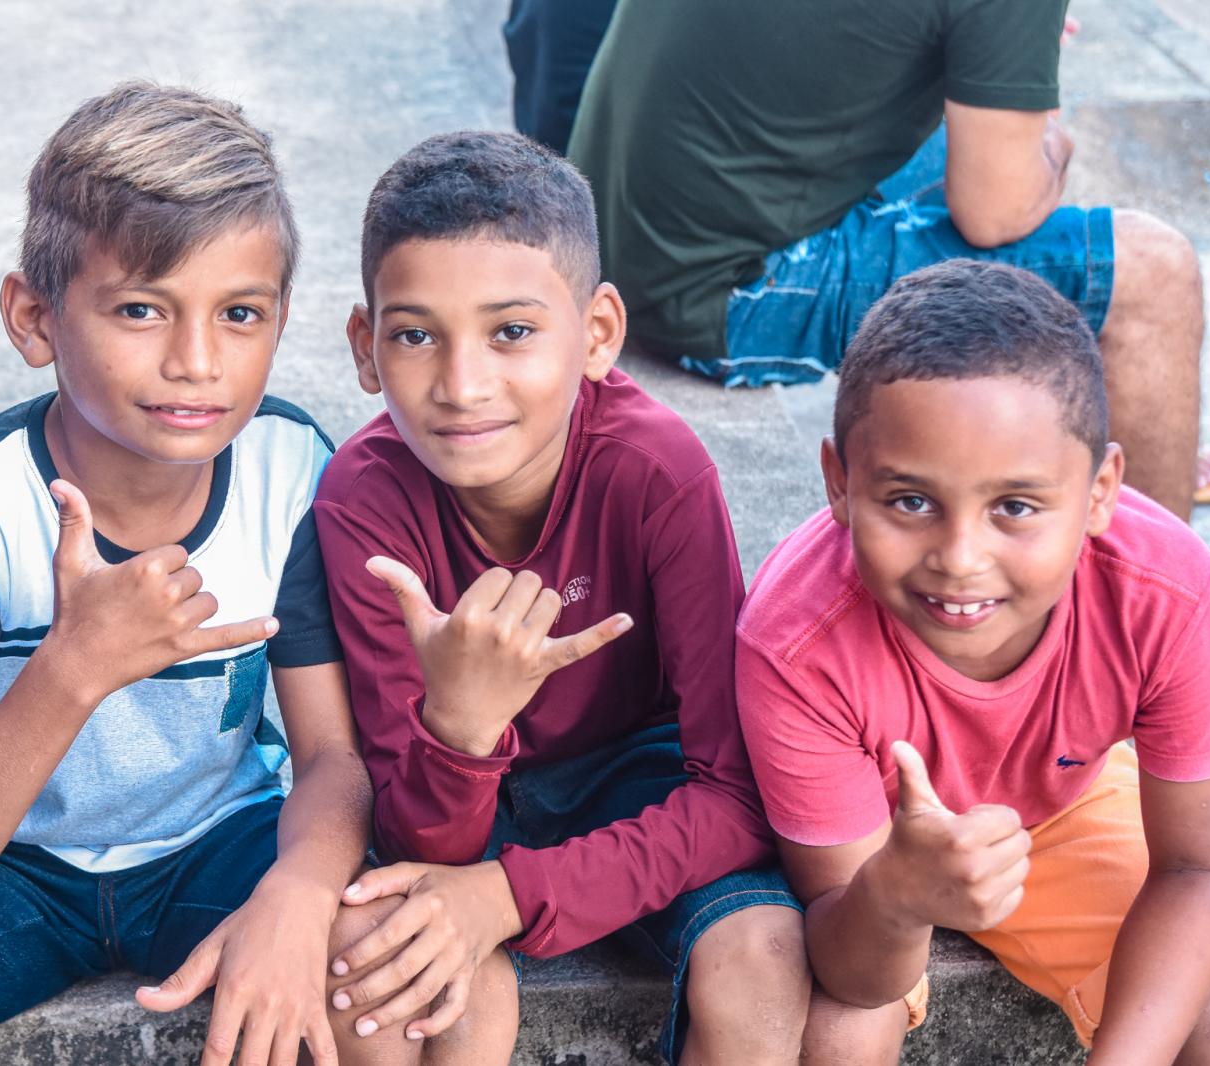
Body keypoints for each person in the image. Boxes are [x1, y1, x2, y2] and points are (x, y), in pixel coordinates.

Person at [0, 81, 372, 1066]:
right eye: (140, 308)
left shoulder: (293, 471)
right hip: (5, 866)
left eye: (238, 313)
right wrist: (73, 668)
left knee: (369, 971)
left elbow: (333, 758)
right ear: (34, 318)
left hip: (217, 844)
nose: (195, 360)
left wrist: (298, 896)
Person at [312, 130, 871, 1066]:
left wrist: (510, 896)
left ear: (599, 335)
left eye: (513, 332)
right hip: (454, 803)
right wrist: (462, 724)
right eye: (415, 335)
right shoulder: (363, 503)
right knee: (382, 980)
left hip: (642, 784)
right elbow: (416, 833)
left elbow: (735, 795)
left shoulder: (657, 473)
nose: (461, 384)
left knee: (764, 958)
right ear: (366, 348)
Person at [737, 259, 1210, 1063]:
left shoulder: (1168, 592)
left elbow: (1200, 871)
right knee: (836, 1035)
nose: (961, 559)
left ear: (1101, 490)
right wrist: (898, 897)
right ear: (839, 482)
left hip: (1061, 809)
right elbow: (848, 958)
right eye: (910, 501)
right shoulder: (796, 642)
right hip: (874, 852)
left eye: (1015, 507)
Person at [556, 0, 1203, 520]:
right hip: (714, 292)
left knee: (979, 129)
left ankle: (1107, 427)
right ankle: (1162, 615)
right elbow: (996, 212)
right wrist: (1049, 140)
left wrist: (1001, 53)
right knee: (1153, 269)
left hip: (615, 222)